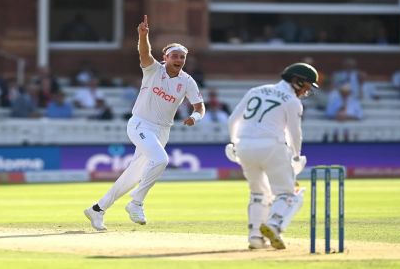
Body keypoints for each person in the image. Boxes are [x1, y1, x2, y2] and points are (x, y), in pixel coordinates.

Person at [84, 15, 205, 231]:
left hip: (162, 131)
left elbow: (199, 107)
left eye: (182, 57)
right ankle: (136, 203)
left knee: (132, 176)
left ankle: (97, 209)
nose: (178, 60)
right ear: (165, 57)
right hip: (140, 124)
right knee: (160, 159)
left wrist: (194, 117)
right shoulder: (153, 69)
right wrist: (143, 35)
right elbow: (144, 53)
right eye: (174, 56)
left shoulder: (187, 81)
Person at [226, 62, 319, 250]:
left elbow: (232, 119)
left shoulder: (256, 91)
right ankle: (274, 224)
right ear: (297, 81)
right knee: (289, 194)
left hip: (244, 146)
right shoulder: (292, 101)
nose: (306, 91)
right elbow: (294, 133)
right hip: (271, 146)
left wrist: (235, 143)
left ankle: (255, 237)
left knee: (258, 193)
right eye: (307, 86)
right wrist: (295, 156)